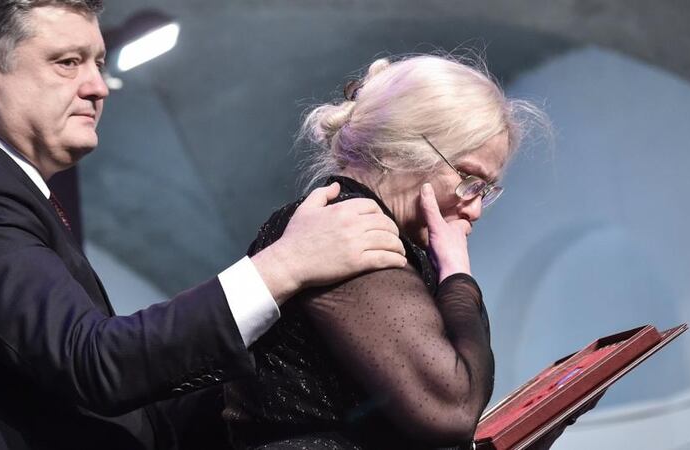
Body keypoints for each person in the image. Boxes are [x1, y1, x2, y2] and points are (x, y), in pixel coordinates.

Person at [0, 1, 410, 449]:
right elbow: (95, 364)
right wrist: (283, 266)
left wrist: (292, 357)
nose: (97, 86)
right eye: (67, 62)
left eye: (97, 62)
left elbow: (130, 408)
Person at [222, 55, 579, 449]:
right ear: (402, 150)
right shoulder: (345, 229)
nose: (475, 207)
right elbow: (453, 408)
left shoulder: (388, 241)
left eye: (486, 190)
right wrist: (458, 275)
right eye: (469, 179)